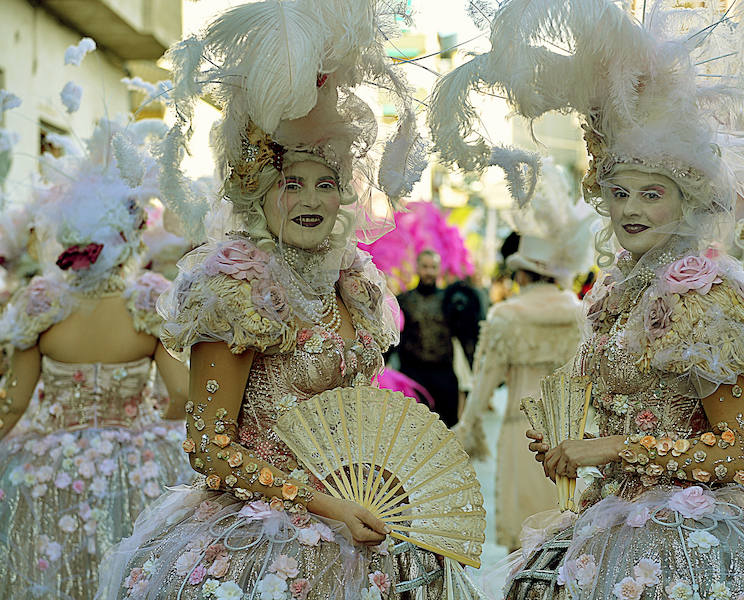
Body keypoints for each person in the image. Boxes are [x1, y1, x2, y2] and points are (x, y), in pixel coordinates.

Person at [429, 1, 744, 598]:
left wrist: (611, 446)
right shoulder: (615, 292)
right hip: (605, 523)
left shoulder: (705, 295)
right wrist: (572, 444)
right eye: (619, 192)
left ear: (686, 201)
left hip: (688, 543)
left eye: (651, 194)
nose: (630, 209)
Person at [96, 2, 483, 598]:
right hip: (265, 539)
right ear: (258, 192)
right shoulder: (236, 289)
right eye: (291, 182)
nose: (310, 200)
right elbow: (209, 449)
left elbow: (360, 416)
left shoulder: (354, 282)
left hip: (366, 528)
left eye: (326, 183)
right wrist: (322, 505)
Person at [0, 116, 192, 599]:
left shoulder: (41, 303)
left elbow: (13, 404)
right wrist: (152, 422)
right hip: (139, 461)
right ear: (129, 239)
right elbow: (182, 393)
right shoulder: (147, 300)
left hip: (50, 466)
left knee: (54, 570)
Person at [455, 157, 596, 551]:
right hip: (574, 432)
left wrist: (467, 428)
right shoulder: (580, 313)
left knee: (524, 536)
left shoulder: (507, 315)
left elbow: (485, 381)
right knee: (566, 531)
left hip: (524, 432)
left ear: (520, 272)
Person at [396, 250, 461, 426]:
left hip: (443, 374)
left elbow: (464, 333)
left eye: (433, 267)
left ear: (439, 270)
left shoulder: (450, 300)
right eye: (425, 267)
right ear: (417, 268)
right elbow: (394, 339)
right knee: (412, 427)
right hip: (412, 374)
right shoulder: (403, 300)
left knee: (446, 428)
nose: (429, 272)